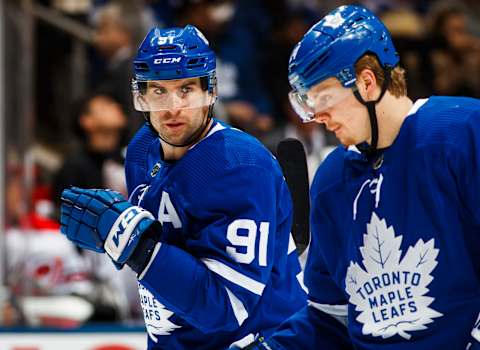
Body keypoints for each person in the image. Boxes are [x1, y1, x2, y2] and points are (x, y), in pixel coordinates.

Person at [59, 25, 307, 349]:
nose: (172, 107)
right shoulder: (140, 150)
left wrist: (135, 246)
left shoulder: (240, 164)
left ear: (210, 92)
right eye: (159, 91)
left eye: (186, 89)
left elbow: (226, 308)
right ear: (141, 96)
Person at [252, 4, 480, 350]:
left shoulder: (462, 133)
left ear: (367, 81)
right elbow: (331, 319)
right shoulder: (331, 180)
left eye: (323, 97)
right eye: (307, 102)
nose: (317, 116)